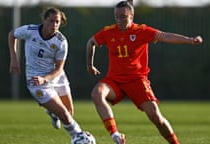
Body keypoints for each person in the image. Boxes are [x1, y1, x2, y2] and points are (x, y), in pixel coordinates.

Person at [86, 1, 203, 144]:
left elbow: (165, 36)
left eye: (123, 17)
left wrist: (190, 40)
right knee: (96, 93)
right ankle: (115, 135)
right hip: (114, 81)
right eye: (116, 17)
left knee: (156, 117)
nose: (119, 20)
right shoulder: (109, 31)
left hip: (137, 80)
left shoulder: (141, 31)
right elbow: (91, 42)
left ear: (132, 16)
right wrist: (90, 64)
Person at [8, 7, 83, 139]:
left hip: (55, 76)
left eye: (57, 22)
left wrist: (45, 78)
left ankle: (52, 111)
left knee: (69, 113)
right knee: (63, 113)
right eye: (51, 21)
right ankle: (79, 137)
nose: (54, 25)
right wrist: (14, 59)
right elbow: (12, 34)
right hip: (36, 80)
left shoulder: (61, 41)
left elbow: (59, 69)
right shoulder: (31, 31)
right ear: (44, 20)